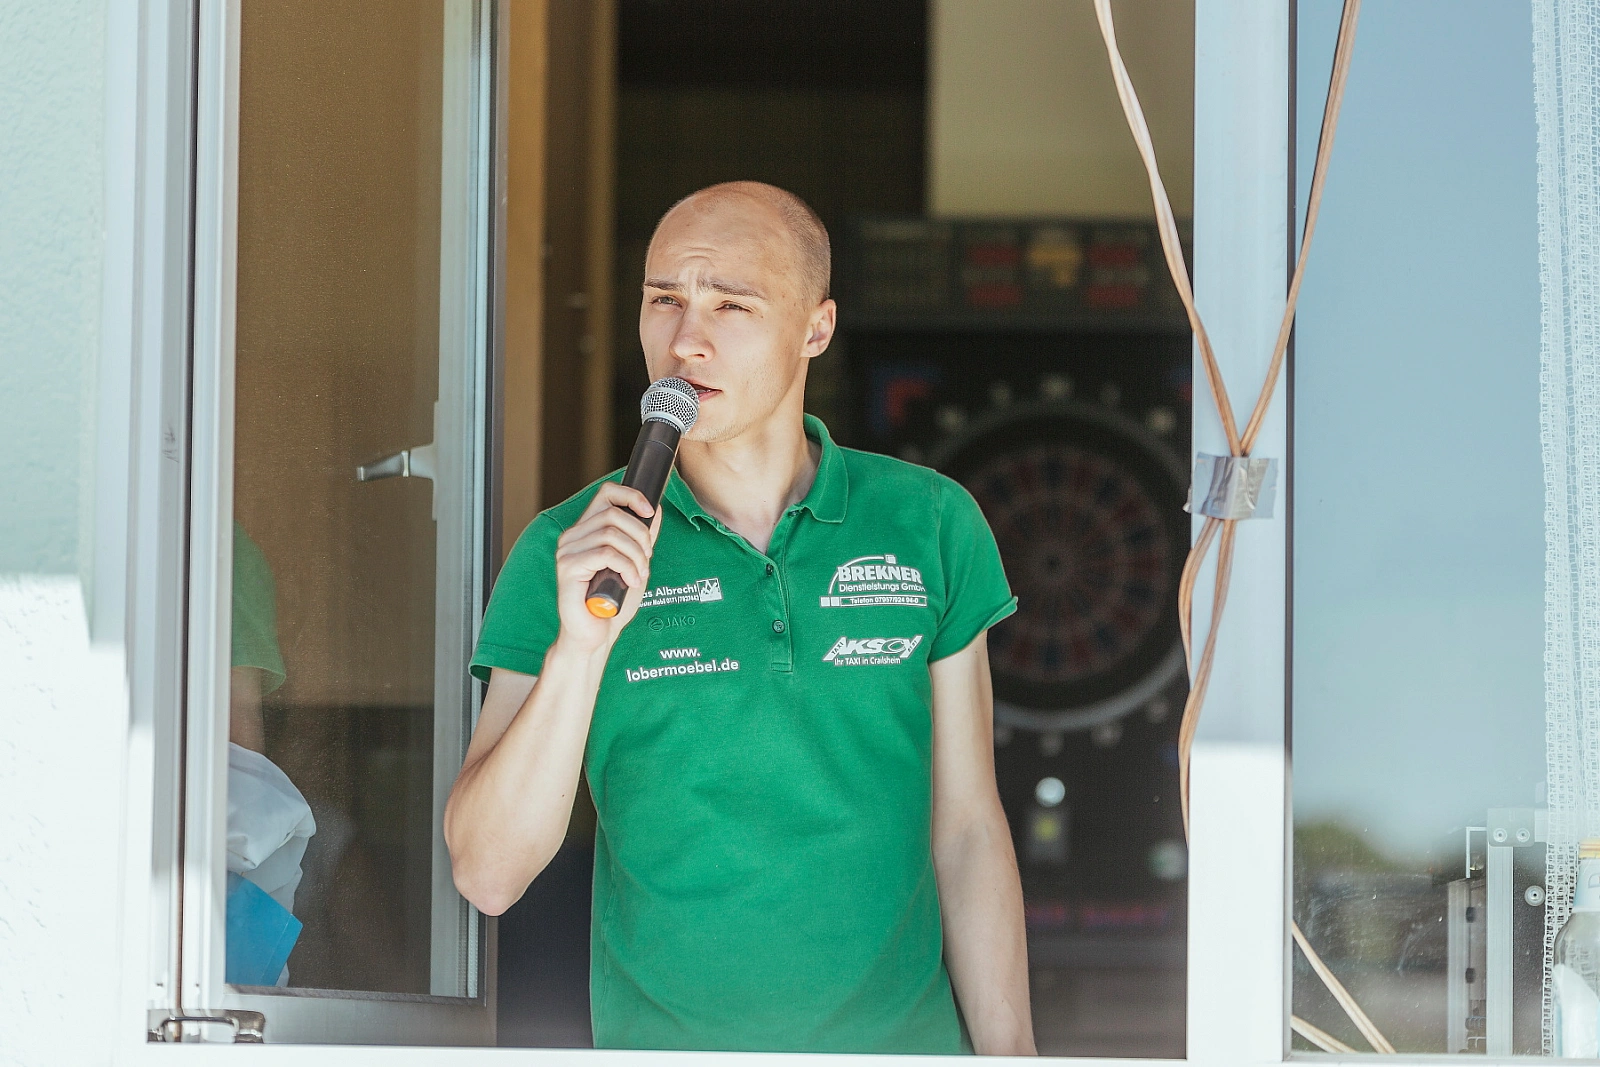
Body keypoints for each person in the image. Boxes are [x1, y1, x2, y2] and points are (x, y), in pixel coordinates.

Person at [444, 181, 1035, 1055]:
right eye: (664, 300)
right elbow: (489, 874)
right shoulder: (566, 550)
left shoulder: (931, 521)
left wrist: (1014, 1057)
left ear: (816, 329)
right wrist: (581, 646)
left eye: (731, 305)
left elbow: (969, 831)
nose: (686, 339)